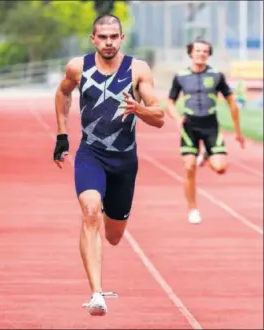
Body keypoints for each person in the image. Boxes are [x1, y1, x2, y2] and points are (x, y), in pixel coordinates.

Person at [52, 14, 164, 316]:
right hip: (91, 153)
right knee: (90, 213)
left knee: (113, 235)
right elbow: (63, 92)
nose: (109, 42)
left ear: (122, 38)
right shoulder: (78, 67)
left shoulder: (138, 70)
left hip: (125, 160)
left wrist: (138, 108)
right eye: (103, 37)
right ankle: (97, 293)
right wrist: (62, 134)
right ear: (93, 39)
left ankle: (110, 215)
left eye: (114, 36)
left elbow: (160, 117)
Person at [166, 37, 245, 225]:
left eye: (205, 51)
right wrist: (177, 119)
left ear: (209, 54)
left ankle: (208, 156)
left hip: (211, 126)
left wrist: (237, 131)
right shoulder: (180, 76)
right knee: (189, 166)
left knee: (220, 168)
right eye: (198, 50)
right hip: (189, 126)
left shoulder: (217, 76)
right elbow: (170, 102)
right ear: (191, 53)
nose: (201, 54)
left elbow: (231, 101)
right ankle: (193, 210)